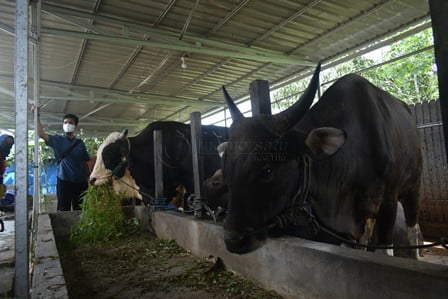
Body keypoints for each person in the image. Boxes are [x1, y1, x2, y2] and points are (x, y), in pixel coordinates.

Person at [31, 105, 90, 211]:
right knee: (63, 210)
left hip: (80, 182)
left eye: (70, 123)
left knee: (80, 209)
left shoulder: (80, 144)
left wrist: (89, 178)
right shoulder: (57, 140)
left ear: (75, 126)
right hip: (64, 181)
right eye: (65, 122)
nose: (67, 124)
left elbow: (85, 162)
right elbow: (41, 133)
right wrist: (36, 115)